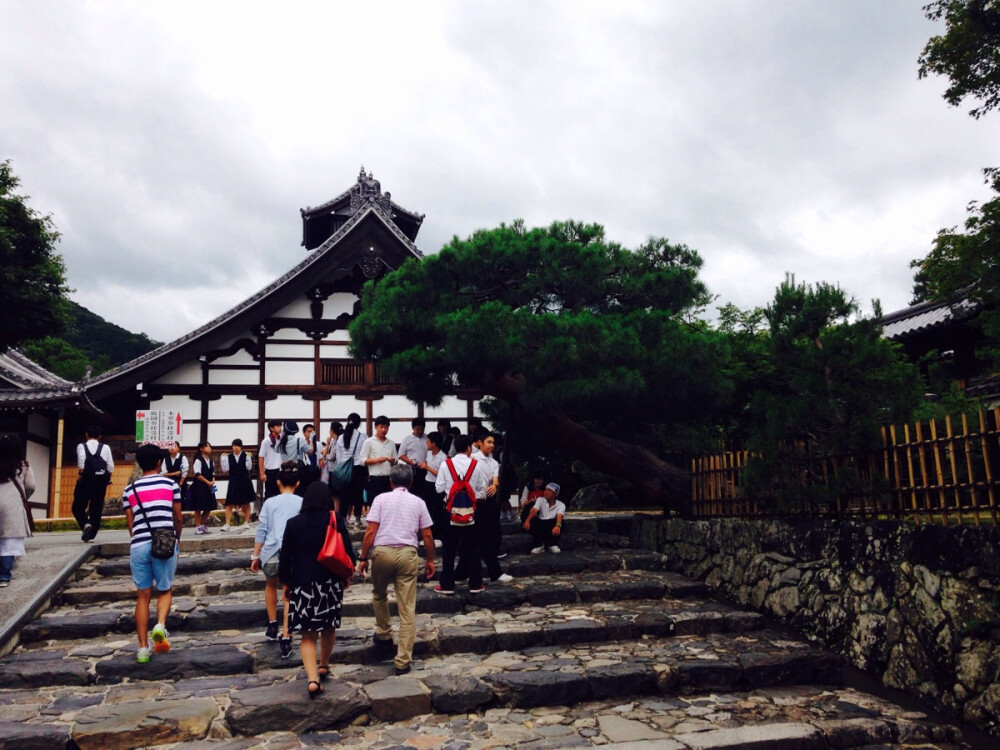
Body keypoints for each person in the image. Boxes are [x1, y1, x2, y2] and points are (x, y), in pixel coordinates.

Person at [279, 482, 355, 698]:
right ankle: (324, 665)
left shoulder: (293, 523)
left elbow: (286, 556)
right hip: (329, 581)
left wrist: (286, 582)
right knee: (329, 626)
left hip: (303, 583)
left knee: (307, 634)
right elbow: (347, 549)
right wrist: (346, 574)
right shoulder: (334, 519)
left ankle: (312, 679)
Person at [357, 464, 435, 675]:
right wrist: (430, 560)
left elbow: (371, 530)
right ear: (410, 483)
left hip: (382, 552)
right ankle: (402, 661)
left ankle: (383, 632)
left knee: (379, 594)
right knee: (407, 607)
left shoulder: (380, 499)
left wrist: (363, 557)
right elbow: (427, 535)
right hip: (408, 553)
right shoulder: (418, 502)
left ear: (391, 482)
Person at [123, 443, 183, 663]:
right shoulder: (170, 485)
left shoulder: (130, 490)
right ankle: (160, 625)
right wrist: (177, 538)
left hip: (139, 544)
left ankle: (142, 648)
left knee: (142, 595)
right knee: (165, 589)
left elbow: (131, 524)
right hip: (164, 543)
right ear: (160, 462)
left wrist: (138, 539)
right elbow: (177, 517)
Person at [251, 461, 303, 659]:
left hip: (271, 551)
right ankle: (286, 635)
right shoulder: (301, 502)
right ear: (297, 483)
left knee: (270, 585)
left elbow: (262, 529)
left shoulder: (270, 503)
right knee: (288, 592)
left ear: (279, 482)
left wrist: (255, 555)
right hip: (293, 552)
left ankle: (272, 624)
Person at [434, 435, 489, 595]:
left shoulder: (446, 464)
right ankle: (475, 583)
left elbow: (439, 488)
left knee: (449, 550)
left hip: (451, 513)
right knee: (473, 548)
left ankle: (447, 585)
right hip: (471, 513)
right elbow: (481, 491)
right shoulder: (476, 465)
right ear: (469, 448)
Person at [458, 429, 512, 584]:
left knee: (487, 537)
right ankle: (465, 572)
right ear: (479, 443)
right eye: (488, 442)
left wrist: (495, 486)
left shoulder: (494, 462)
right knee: (472, 539)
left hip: (488, 502)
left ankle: (490, 572)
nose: (492, 445)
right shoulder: (472, 459)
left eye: (493, 443)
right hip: (473, 502)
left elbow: (495, 479)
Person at [0, 435, 34, 587]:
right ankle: (3, 576)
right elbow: (31, 486)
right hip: (12, 505)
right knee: (9, 541)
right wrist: (24, 496)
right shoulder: (23, 466)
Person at [73, 424, 114, 542]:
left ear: (86, 435)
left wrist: (81, 475)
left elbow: (81, 460)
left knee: (78, 506)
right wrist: (106, 478)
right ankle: (91, 533)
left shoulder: (82, 446)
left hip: (86, 480)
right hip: (100, 481)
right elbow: (110, 466)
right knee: (96, 507)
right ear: (100, 436)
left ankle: (85, 524)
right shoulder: (105, 447)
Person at [360, 415, 397, 521]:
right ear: (376, 427)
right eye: (381, 427)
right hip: (375, 478)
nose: (384, 430)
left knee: (388, 506)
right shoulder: (369, 442)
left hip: (388, 478)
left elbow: (396, 460)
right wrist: (376, 460)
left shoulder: (391, 443)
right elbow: (362, 460)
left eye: (386, 427)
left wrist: (392, 460)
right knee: (375, 505)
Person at [336, 413, 367, 527]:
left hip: (344, 468)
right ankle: (357, 519)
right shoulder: (363, 437)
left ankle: (343, 518)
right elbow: (364, 454)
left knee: (344, 494)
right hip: (359, 468)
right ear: (359, 423)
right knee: (358, 494)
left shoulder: (341, 437)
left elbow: (339, 457)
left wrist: (342, 467)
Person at [417, 431, 447, 547]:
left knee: (437, 511)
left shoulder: (442, 457)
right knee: (427, 510)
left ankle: (438, 536)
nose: (427, 443)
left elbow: (441, 474)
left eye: (428, 441)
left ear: (434, 443)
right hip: (427, 484)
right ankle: (428, 536)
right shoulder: (429, 454)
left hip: (437, 486)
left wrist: (427, 467)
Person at [221, 439, 255, 532]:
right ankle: (227, 524)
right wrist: (223, 460)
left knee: (246, 501)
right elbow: (225, 469)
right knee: (230, 503)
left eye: (237, 446)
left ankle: (246, 522)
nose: (235, 447)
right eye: (234, 445)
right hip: (233, 480)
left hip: (245, 480)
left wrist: (248, 458)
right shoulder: (228, 457)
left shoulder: (246, 455)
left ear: (241, 447)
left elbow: (249, 467)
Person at [523, 482, 566, 554]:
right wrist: (527, 521)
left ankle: (553, 544)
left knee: (561, 523)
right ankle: (539, 545)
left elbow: (559, 515)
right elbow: (534, 510)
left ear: (555, 494)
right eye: (546, 490)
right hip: (541, 524)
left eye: (549, 490)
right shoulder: (540, 500)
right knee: (533, 520)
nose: (546, 492)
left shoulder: (561, 504)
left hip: (552, 525)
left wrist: (558, 525)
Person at [189, 441, 216, 534]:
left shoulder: (211, 461)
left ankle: (202, 524)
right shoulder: (198, 460)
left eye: (209, 447)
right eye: (207, 446)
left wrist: (212, 481)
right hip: (200, 486)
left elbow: (213, 473)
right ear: (201, 448)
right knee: (198, 507)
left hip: (209, 486)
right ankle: (197, 527)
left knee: (208, 507)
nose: (209, 448)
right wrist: (207, 482)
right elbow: (197, 474)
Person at [258, 420, 283, 508]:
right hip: (270, 471)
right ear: (271, 428)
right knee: (269, 494)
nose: (280, 428)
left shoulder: (281, 439)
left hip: (280, 470)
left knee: (280, 493)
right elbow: (261, 457)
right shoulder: (266, 441)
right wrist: (262, 473)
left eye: (281, 426)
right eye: (278, 426)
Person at [398, 418, 428, 486]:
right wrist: (409, 461)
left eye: (422, 429)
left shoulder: (427, 438)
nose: (420, 431)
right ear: (413, 428)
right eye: (418, 429)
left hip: (425, 469)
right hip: (411, 469)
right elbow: (401, 455)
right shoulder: (407, 439)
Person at [319, 420, 343, 488]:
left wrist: (326, 454)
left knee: (333, 491)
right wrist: (328, 443)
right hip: (330, 469)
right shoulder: (333, 442)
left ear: (332, 431)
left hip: (334, 470)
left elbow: (330, 457)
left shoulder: (338, 442)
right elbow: (324, 454)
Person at [301, 423, 321, 490]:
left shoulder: (318, 444)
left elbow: (321, 460)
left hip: (315, 471)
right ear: (304, 433)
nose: (311, 434)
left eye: (312, 432)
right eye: (308, 432)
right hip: (304, 471)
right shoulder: (301, 444)